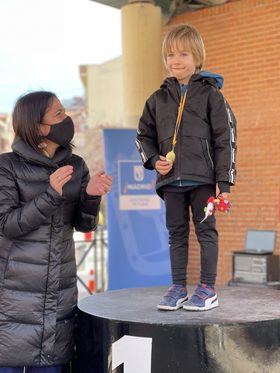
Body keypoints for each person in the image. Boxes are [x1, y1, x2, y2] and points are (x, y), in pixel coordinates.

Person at [0, 91, 112, 372]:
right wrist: (50, 195)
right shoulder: (7, 167)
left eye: (65, 112)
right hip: (14, 302)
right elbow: (8, 225)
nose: (67, 119)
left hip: (58, 301)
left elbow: (84, 225)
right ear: (37, 125)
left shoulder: (76, 166)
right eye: (58, 114)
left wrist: (90, 196)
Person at [136, 24, 237, 311]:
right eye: (170, 55)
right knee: (176, 234)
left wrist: (224, 181)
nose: (175, 60)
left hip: (203, 178)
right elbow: (143, 136)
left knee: (206, 232)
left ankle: (207, 288)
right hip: (171, 183)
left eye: (183, 53)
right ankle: (178, 287)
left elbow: (226, 137)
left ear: (197, 57)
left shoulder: (211, 95)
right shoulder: (156, 99)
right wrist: (155, 160)